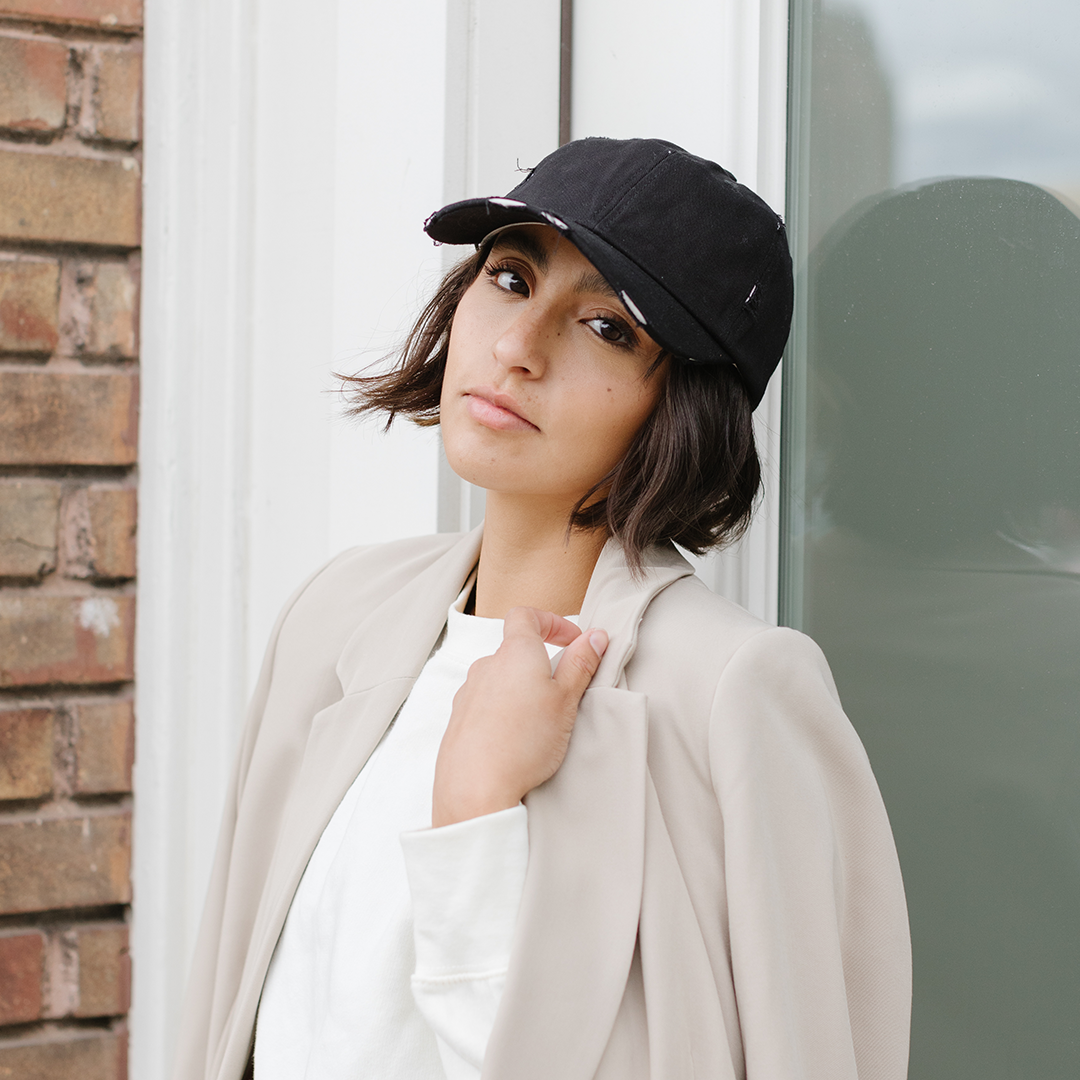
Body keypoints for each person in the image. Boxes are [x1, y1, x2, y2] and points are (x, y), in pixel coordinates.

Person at [173, 137, 911, 1080]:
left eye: (608, 328)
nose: (517, 349)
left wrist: (476, 806)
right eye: (512, 278)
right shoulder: (338, 616)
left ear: (684, 406)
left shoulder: (732, 691)